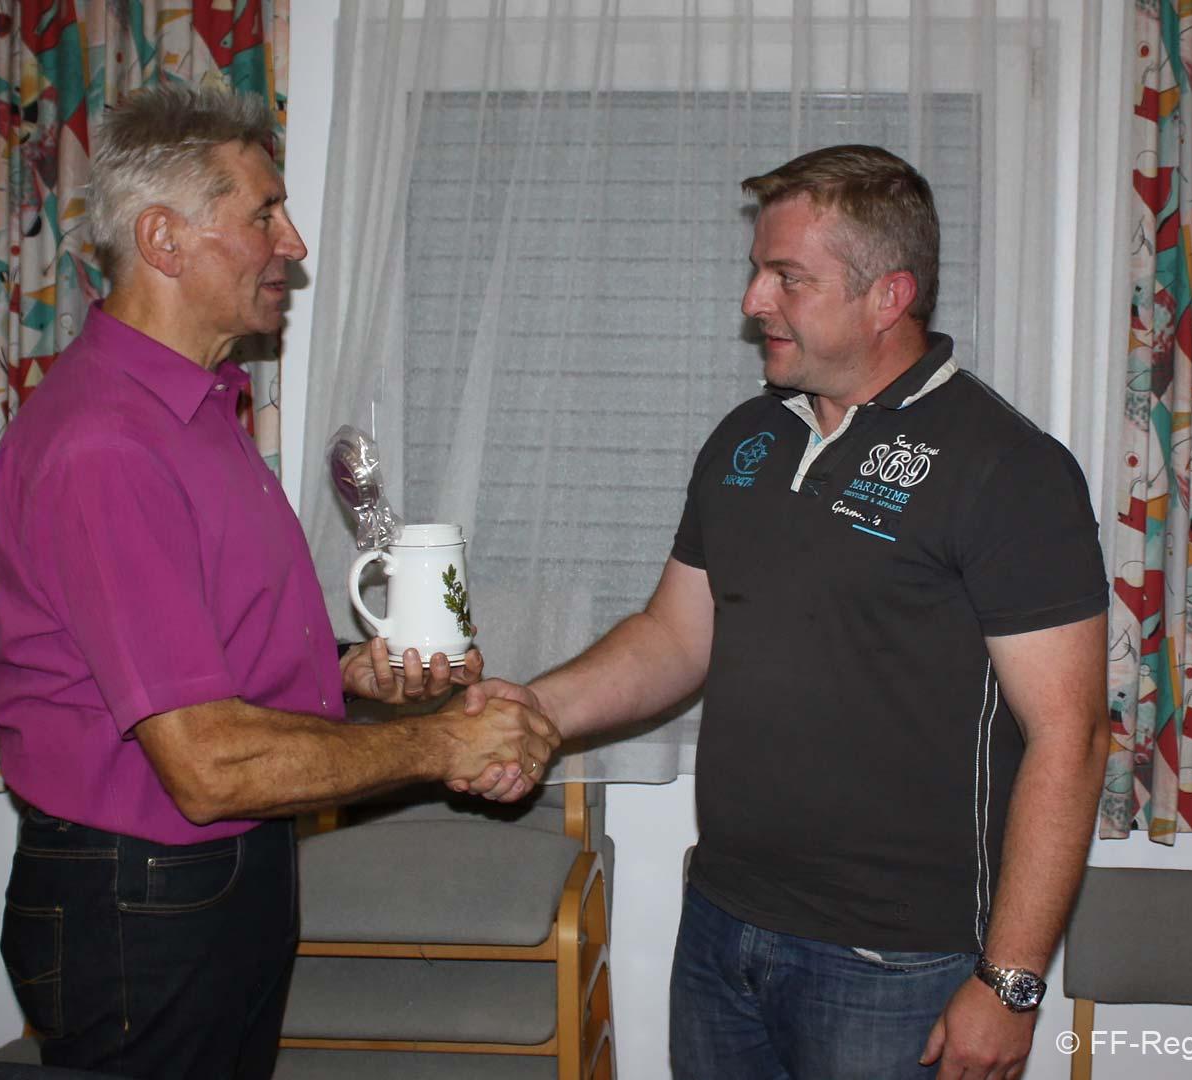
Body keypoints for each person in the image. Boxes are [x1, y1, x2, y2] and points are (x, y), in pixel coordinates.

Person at [462, 144, 1109, 1079]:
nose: (753, 300)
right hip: (723, 923)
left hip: (898, 963)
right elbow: (673, 637)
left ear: (888, 297)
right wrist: (536, 711)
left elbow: (1071, 737)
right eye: (757, 271)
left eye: (787, 278)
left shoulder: (1008, 469)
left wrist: (1009, 983)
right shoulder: (749, 435)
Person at [0, 85, 557, 1080]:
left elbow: (201, 650)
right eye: (264, 214)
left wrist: (344, 672)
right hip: (141, 893)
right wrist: (442, 745)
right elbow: (207, 764)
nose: (292, 243)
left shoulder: (199, 408)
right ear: (163, 239)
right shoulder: (106, 444)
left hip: (216, 872)